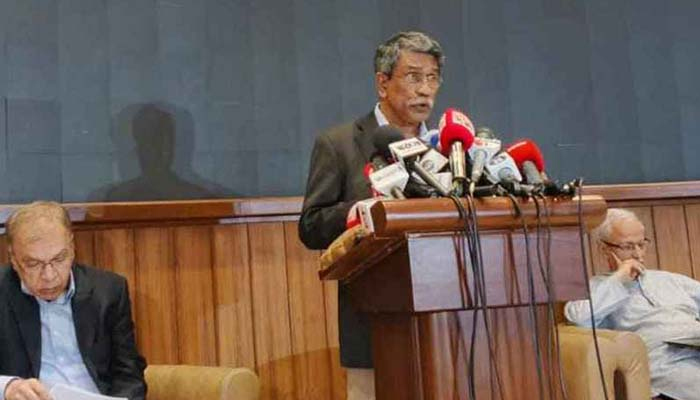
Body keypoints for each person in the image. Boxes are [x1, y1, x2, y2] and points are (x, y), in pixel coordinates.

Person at [298, 31, 444, 399]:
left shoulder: (449, 149)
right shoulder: (340, 143)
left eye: (432, 78)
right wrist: (363, 210)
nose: (425, 90)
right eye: (413, 77)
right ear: (383, 83)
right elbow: (311, 226)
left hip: (445, 323)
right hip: (372, 321)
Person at [0, 201, 147, 400]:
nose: (49, 275)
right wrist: (7, 387)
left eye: (59, 259)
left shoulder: (108, 291)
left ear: (72, 247)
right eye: (34, 264)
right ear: (14, 259)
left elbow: (129, 374)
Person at [565, 208, 700, 400]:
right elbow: (579, 318)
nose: (637, 254)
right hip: (668, 365)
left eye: (641, 244)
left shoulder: (670, 280)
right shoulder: (599, 288)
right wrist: (619, 278)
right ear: (605, 249)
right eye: (628, 247)